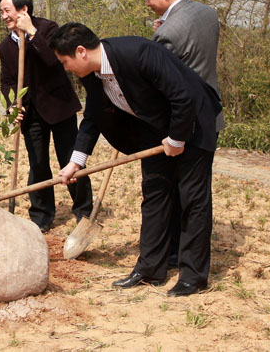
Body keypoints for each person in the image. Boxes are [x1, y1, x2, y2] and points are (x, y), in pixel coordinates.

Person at [50, 23, 221, 297]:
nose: (66, 68)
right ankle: (151, 269)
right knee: (154, 195)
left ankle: (193, 277)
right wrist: (76, 162)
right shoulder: (92, 75)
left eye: (65, 61)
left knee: (192, 199)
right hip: (155, 130)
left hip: (194, 122)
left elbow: (182, 95)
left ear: (81, 51)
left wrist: (177, 139)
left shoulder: (138, 53)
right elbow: (93, 116)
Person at [142, 0, 225, 268]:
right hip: (210, 114)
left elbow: (161, 77)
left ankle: (185, 262)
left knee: (185, 196)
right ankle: (180, 255)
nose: (147, 3)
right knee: (194, 193)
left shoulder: (168, 34)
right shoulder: (208, 13)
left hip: (184, 122)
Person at [0, 0, 92, 232]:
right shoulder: (5, 47)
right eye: (1, 12)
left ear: (24, 10)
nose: (4, 16)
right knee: (38, 163)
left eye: (7, 10)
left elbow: (53, 61)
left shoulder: (49, 29)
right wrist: (12, 105)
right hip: (30, 112)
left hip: (59, 106)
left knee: (70, 159)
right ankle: (41, 216)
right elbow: (7, 81)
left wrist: (31, 32)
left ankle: (84, 211)